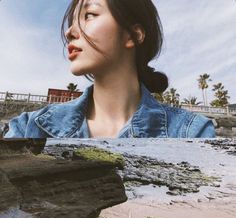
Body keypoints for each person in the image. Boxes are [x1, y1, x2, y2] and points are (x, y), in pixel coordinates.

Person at [4, 0, 215, 139]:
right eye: (72, 21)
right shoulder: (29, 129)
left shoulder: (191, 133)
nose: (70, 31)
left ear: (133, 35)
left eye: (89, 15)